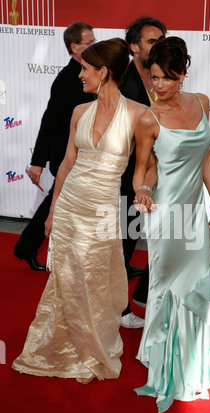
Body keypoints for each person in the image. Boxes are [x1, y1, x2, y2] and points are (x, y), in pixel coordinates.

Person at [12, 38, 146, 384]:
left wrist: (144, 188)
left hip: (104, 210)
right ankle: (63, 343)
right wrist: (53, 210)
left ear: (104, 72)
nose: (79, 74)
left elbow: (146, 166)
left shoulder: (138, 114)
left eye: (86, 68)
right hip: (71, 204)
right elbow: (68, 162)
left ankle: (93, 343)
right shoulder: (79, 112)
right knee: (67, 278)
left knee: (96, 279)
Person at [132, 37, 210, 413]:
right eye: (153, 78)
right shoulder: (149, 119)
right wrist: (144, 191)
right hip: (166, 216)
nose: (157, 86)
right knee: (167, 285)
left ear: (183, 74)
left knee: (198, 280)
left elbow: (206, 157)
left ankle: (195, 358)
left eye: (165, 78)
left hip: (195, 212)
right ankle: (164, 360)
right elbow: (142, 169)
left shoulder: (202, 103)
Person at [13, 22, 96, 270]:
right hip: (65, 153)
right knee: (56, 202)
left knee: (60, 202)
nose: (95, 46)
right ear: (75, 47)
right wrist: (38, 161)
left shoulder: (89, 72)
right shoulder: (68, 79)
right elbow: (49, 121)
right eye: (90, 43)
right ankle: (27, 247)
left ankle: (29, 247)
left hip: (83, 151)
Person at [119, 16, 167, 329]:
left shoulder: (157, 79)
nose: (158, 45)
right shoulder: (122, 80)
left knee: (133, 239)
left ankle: (131, 300)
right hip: (122, 178)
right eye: (152, 41)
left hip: (148, 177)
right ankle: (118, 310)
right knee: (120, 244)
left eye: (162, 39)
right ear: (134, 47)